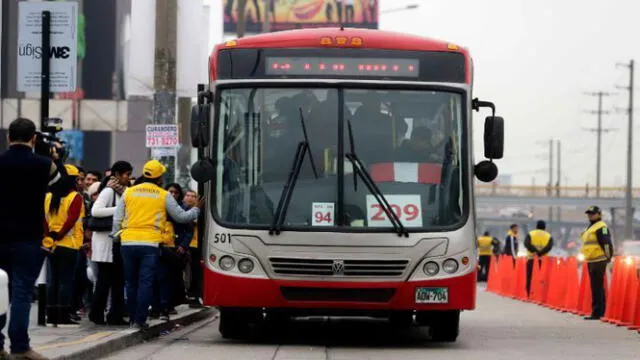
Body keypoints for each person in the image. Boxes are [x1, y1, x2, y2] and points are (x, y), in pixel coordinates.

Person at [0, 118, 64, 360]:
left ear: (8, 136)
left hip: (0, 237)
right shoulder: (44, 165)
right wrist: (53, 156)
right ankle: (20, 347)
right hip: (28, 237)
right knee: (21, 292)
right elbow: (62, 185)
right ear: (33, 138)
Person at [112, 160, 201, 330]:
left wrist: (116, 237)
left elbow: (117, 218)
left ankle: (132, 318)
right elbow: (181, 217)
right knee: (146, 282)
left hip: (128, 241)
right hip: (150, 244)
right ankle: (140, 320)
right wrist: (196, 209)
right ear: (159, 178)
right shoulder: (163, 195)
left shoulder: (129, 192)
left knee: (130, 283)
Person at [88, 161, 133, 325]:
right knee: (105, 281)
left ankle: (114, 314)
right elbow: (95, 211)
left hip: (117, 243)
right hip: (106, 243)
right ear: (118, 175)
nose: (128, 178)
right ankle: (97, 313)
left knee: (117, 281)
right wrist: (119, 210)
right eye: (126, 174)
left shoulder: (124, 192)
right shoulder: (108, 191)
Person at [43, 164, 86, 325]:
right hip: (69, 244)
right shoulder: (74, 197)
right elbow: (71, 219)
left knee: (53, 279)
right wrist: (59, 234)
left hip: (51, 245)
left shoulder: (48, 196)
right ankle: (63, 314)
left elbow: (44, 219)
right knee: (65, 281)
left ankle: (51, 314)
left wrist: (50, 236)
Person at [580, 206, 613, 320]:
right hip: (592, 260)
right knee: (596, 287)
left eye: (592, 213)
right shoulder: (592, 227)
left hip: (598, 260)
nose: (590, 215)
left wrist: (608, 257)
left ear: (599, 214)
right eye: (589, 213)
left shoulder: (601, 227)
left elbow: (606, 243)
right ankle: (599, 311)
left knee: (597, 287)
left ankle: (598, 312)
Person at [524, 220, 553, 295]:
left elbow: (526, 244)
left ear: (536, 226)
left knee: (530, 277)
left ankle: (529, 293)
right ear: (545, 227)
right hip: (544, 260)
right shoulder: (548, 236)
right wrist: (540, 253)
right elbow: (549, 247)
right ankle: (541, 293)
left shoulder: (530, 234)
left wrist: (535, 251)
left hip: (532, 259)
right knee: (543, 278)